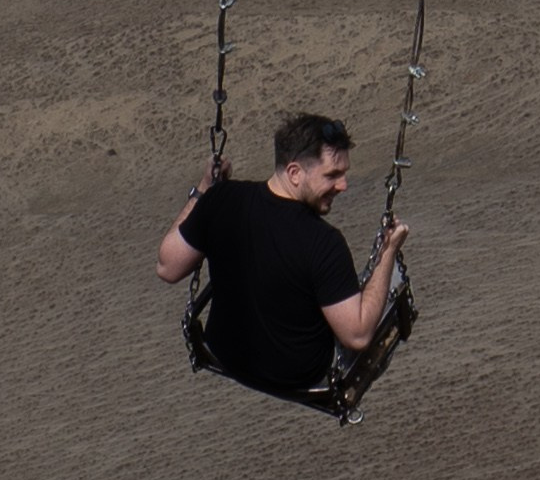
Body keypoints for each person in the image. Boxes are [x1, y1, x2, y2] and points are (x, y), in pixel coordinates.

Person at [156, 110, 407, 403]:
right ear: (294, 173)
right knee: (382, 292)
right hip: (297, 375)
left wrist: (203, 189)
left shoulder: (221, 198)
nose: (343, 185)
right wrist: (388, 252)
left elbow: (167, 267)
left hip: (227, 352)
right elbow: (358, 336)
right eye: (332, 175)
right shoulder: (324, 242)